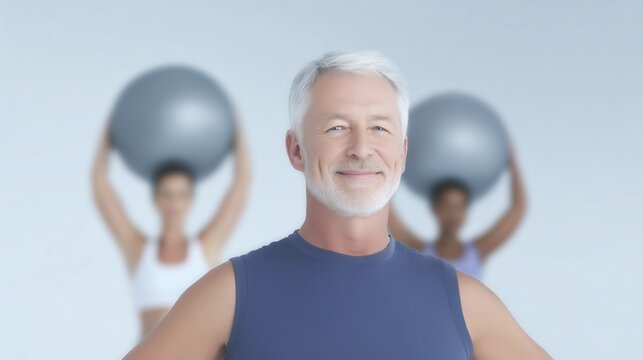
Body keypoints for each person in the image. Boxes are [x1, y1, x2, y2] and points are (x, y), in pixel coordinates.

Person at [123, 50, 551, 359]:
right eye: (336, 127)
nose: (361, 148)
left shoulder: (462, 300)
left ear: (402, 152)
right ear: (295, 150)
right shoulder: (230, 295)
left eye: (379, 128)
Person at [91, 116, 251, 336]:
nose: (173, 204)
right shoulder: (138, 249)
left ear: (190, 200)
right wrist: (109, 131)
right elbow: (101, 188)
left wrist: (236, 126)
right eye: (166, 195)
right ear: (155, 199)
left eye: (181, 195)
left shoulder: (204, 248)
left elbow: (240, 187)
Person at [388, 148, 527, 279]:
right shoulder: (420, 251)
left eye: (459, 207)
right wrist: (395, 163)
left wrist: (512, 161)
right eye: (447, 206)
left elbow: (517, 209)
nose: (453, 214)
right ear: (435, 209)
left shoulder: (476, 253)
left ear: (466, 211)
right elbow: (388, 213)